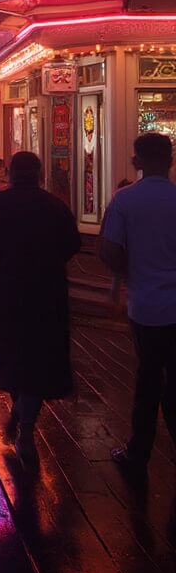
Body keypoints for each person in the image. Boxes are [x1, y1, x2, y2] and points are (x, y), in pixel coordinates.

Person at [0, 151, 80, 468]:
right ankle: (26, 418)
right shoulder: (54, 206)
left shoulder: (0, 203)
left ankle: (21, 408)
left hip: (7, 289)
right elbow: (72, 245)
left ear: (11, 172)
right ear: (39, 172)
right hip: (46, 292)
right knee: (40, 356)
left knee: (12, 351)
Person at [100, 133, 176, 469]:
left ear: (137, 162)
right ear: (171, 161)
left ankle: (138, 453)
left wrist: (125, 275)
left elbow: (111, 251)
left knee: (148, 380)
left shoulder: (124, 201)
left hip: (145, 306)